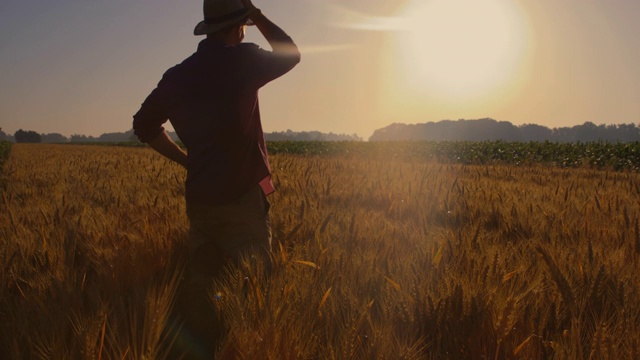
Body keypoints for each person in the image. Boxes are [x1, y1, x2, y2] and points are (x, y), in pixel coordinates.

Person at [132, 0, 300, 357]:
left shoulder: (177, 75)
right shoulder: (244, 60)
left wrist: (185, 160)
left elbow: (144, 126)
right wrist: (257, 14)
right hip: (243, 205)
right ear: (239, 25)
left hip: (201, 205)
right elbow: (291, 54)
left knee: (202, 291)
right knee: (252, 294)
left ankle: (203, 349)